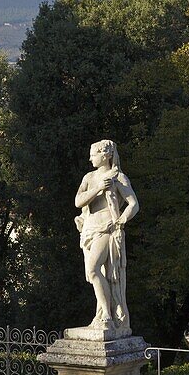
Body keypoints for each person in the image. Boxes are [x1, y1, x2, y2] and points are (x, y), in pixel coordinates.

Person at [74, 140, 139, 330]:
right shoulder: (89, 177)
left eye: (93, 154)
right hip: (89, 230)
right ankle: (102, 315)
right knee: (93, 274)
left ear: (106, 155)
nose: (90, 158)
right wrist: (98, 188)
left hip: (107, 229)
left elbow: (134, 204)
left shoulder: (118, 177)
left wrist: (120, 221)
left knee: (93, 269)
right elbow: (78, 201)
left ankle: (107, 316)